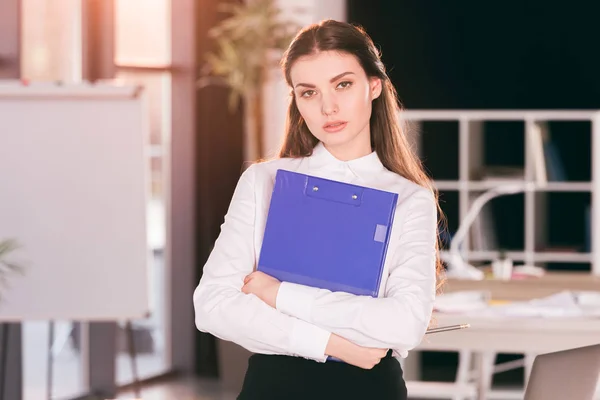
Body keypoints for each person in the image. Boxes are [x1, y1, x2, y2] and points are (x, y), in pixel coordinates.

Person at [193, 19, 445, 400]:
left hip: (369, 390)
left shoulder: (410, 199)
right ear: (296, 100)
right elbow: (212, 306)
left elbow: (405, 324)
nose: (328, 106)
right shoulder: (265, 181)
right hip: (274, 387)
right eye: (308, 92)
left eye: (343, 84)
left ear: (373, 86)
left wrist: (279, 295)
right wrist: (332, 344)